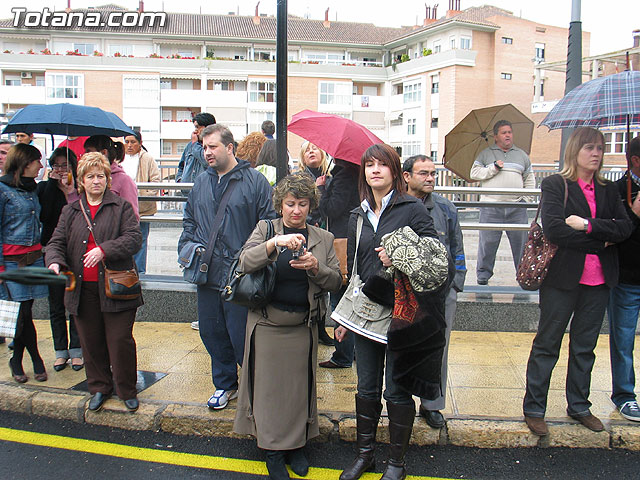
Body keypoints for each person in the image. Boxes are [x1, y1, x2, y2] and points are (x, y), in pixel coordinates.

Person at [336, 144, 440, 480]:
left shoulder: (412, 208)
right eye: (369, 165)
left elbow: (434, 259)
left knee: (396, 389)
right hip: (365, 312)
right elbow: (354, 269)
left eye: (383, 165)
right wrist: (343, 319)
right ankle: (365, 455)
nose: (375, 170)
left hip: (401, 312)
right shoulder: (358, 214)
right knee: (366, 387)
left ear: (395, 171)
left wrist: (400, 258)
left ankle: (396, 463)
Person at [522, 127, 633, 436]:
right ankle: (534, 408)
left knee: (585, 347)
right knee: (547, 343)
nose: (596, 153)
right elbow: (556, 230)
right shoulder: (557, 184)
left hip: (599, 281)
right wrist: (601, 237)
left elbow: (624, 229)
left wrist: (586, 225)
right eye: (589, 148)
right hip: (562, 279)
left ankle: (579, 405)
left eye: (599, 147)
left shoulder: (610, 190)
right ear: (575, 151)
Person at [233, 173, 342, 480]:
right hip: (267, 325)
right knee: (269, 391)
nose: (296, 210)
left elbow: (336, 280)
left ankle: (296, 446)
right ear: (280, 205)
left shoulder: (324, 238)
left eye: (303, 204)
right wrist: (274, 244)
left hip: (303, 327)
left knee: (297, 391)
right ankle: (273, 451)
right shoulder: (266, 229)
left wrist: (316, 267)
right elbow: (244, 262)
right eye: (290, 204)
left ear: (311, 206)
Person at [178, 124, 275, 410]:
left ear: (230, 147)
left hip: (241, 275)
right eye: (204, 147)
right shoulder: (201, 182)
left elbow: (268, 224)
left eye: (213, 147)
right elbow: (189, 221)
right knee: (211, 331)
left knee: (241, 335)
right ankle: (225, 385)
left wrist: (250, 257)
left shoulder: (255, 181)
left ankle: (255, 387)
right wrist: (191, 248)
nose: (206, 152)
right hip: (207, 272)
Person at [46, 152, 143, 413]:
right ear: (81, 181)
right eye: (90, 176)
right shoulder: (71, 211)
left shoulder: (120, 206)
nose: (96, 181)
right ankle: (99, 387)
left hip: (117, 287)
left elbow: (134, 239)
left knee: (120, 340)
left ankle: (126, 389)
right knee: (90, 342)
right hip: (81, 289)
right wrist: (54, 261)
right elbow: (55, 243)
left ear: (108, 179)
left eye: (101, 176)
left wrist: (104, 250)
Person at [403, 154, 466, 429]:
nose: (430, 178)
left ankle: (432, 404)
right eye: (423, 173)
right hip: (403, 292)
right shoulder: (396, 207)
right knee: (404, 347)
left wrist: (455, 284)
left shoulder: (446, 209)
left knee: (438, 349)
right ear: (406, 176)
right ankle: (401, 402)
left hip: (440, 294)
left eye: (433, 173)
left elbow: (457, 248)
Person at [1, 144, 49, 382]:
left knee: (26, 310)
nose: (41, 166)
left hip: (34, 259)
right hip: (11, 262)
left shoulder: (32, 190)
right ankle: (32, 358)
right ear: (24, 163)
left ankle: (18, 359)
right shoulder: (2, 190)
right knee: (21, 312)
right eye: (37, 161)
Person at [469, 119, 536, 285]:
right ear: (496, 136)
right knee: (488, 243)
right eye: (504, 132)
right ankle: (483, 275)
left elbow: (529, 178)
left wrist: (526, 199)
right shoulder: (486, 154)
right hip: (491, 206)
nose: (508, 135)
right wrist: (493, 168)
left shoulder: (521, 155)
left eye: (509, 132)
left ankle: (523, 275)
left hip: (516, 207)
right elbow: (474, 173)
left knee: (520, 244)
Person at [36, 147, 83, 372]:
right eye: (56, 165)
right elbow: (43, 217)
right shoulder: (44, 189)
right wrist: (53, 186)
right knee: (55, 304)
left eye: (65, 166)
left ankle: (76, 349)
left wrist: (69, 192)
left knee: (74, 302)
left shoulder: (81, 189)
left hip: (76, 252)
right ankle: (60, 351)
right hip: (51, 251)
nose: (61, 170)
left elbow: (82, 217)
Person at [608, 135, 640, 422]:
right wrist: (634, 215)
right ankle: (624, 395)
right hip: (627, 277)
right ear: (635, 161)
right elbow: (615, 235)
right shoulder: (617, 190)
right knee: (623, 339)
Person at [317, 158, 360, 369]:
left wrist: (322, 188)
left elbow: (332, 209)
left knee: (339, 299)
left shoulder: (345, 176)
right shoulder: (357, 174)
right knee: (351, 299)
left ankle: (342, 355)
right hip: (353, 240)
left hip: (342, 244)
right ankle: (353, 352)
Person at [123, 132, 161, 274]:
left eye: (133, 142)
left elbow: (156, 181)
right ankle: (125, 270)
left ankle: (139, 272)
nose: (130, 145)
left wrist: (141, 195)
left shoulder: (147, 159)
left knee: (141, 240)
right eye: (127, 142)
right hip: (123, 207)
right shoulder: (120, 159)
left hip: (143, 208)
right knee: (124, 239)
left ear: (140, 143)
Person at [84, 135, 139, 219]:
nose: (85, 156)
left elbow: (131, 217)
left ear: (104, 153)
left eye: (88, 152)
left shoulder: (124, 180)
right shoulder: (85, 178)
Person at [176, 112, 216, 183]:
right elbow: (181, 166)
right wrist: (179, 179)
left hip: (204, 191)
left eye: (198, 127)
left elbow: (206, 162)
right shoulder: (190, 146)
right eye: (195, 127)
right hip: (187, 191)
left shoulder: (214, 145)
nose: (195, 131)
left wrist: (195, 144)